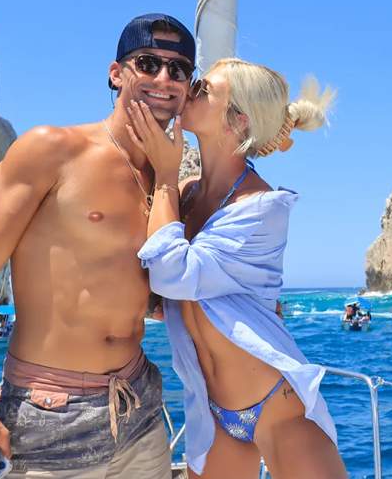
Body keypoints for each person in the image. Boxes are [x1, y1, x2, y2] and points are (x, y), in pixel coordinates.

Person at [0, 13, 195, 478]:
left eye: (178, 69)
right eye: (148, 63)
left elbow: (151, 293)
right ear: (116, 73)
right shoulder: (53, 151)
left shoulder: (168, 183)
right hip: (49, 415)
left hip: (140, 412)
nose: (164, 78)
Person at [125, 58, 346, 478]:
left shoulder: (261, 208)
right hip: (212, 415)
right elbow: (153, 278)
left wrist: (166, 174)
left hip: (277, 409)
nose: (190, 89)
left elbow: (172, 272)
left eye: (205, 89)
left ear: (236, 121)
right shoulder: (186, 196)